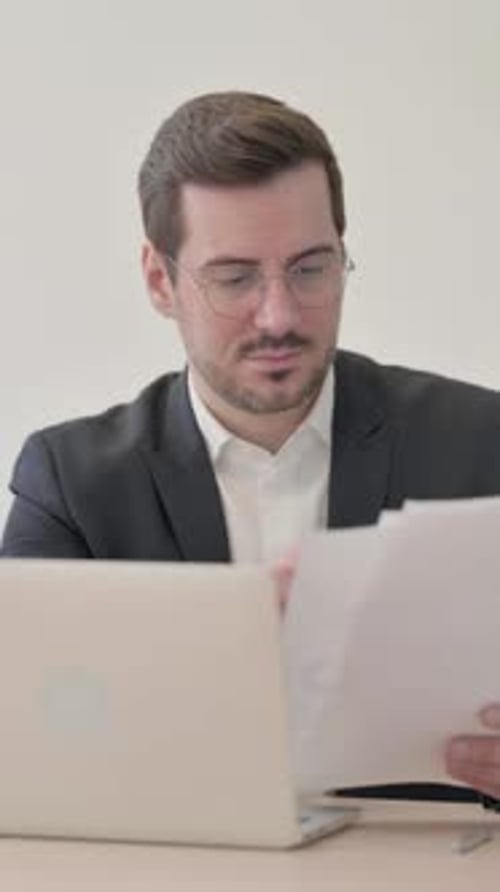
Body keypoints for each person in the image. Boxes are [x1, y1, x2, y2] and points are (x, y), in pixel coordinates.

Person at [2, 91, 500, 806]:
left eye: (310, 268)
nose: (280, 316)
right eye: (234, 278)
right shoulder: (72, 484)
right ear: (159, 280)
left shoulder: (482, 446)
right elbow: (23, 741)